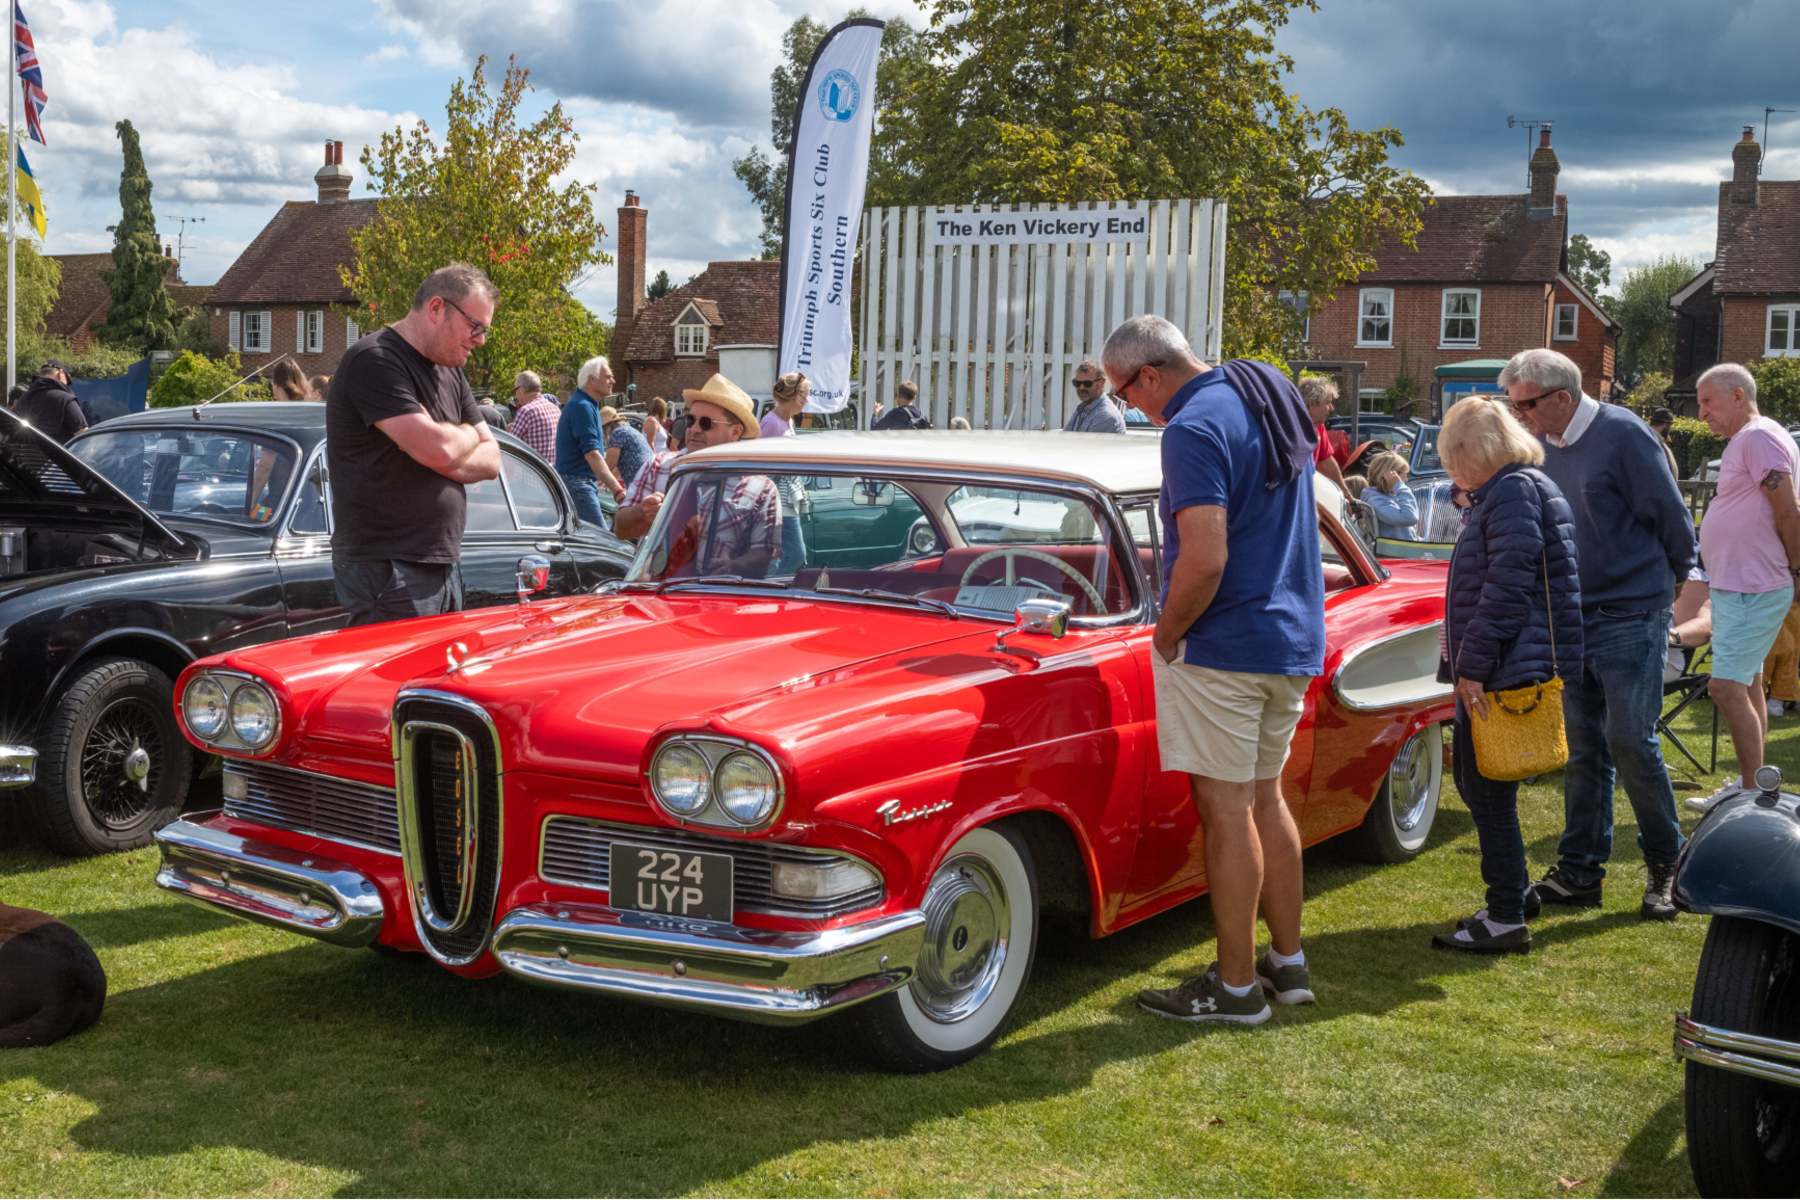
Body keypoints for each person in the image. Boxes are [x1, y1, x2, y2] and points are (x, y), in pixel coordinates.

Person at [1104, 315, 1323, 1026]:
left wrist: (1166, 636)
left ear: (1151, 375)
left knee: (1227, 809)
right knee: (1267, 798)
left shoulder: (1191, 429)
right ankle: (1286, 964)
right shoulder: (1266, 390)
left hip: (1225, 641)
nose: (1130, 406)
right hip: (1290, 632)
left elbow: (1204, 557)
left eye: (1125, 391)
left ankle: (1233, 990)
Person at [1504, 347, 1693, 920]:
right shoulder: (1545, 446)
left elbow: (1674, 522)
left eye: (1527, 405)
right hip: (1574, 616)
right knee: (1584, 747)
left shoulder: (1624, 435)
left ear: (1562, 397)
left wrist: (1662, 592)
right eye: (1514, 407)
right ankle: (1580, 872)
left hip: (1631, 613)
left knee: (1631, 741)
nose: (1521, 418)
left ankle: (1670, 867)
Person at [1431, 398, 1582, 953]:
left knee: (1486, 788)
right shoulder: (1521, 489)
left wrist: (1470, 667)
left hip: (1505, 665)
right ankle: (1515, 892)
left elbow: (1505, 588)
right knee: (1482, 783)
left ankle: (1504, 915)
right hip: (1518, 657)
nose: (1454, 473)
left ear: (1477, 452)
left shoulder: (1514, 493)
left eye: (1456, 460)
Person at [326, 262, 500, 627]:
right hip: (387, 568)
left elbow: (492, 459)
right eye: (475, 326)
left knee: (435, 685)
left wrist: (447, 442)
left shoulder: (451, 369)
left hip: (440, 564)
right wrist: (463, 437)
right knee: (394, 684)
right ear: (437, 308)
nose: (480, 340)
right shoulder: (374, 360)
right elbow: (438, 450)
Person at [1690, 362, 1800, 807]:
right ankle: (1754, 784)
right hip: (1739, 583)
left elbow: (1789, 509)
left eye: (1707, 401)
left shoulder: (1757, 436)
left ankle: (1754, 789)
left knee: (1725, 686)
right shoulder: (1750, 439)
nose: (1701, 414)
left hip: (1754, 584)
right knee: (1749, 681)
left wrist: (1797, 570)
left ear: (1738, 395)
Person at [615, 373, 779, 575]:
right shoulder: (659, 465)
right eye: (690, 420)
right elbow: (620, 529)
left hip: (719, 596)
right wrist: (642, 512)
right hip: (656, 593)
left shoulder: (760, 488)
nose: (693, 429)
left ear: (736, 432)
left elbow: (764, 556)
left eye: (706, 423)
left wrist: (732, 567)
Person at [554, 356, 628, 527]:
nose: (613, 380)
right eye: (608, 376)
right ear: (592, 380)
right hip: (577, 484)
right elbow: (592, 454)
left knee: (587, 542)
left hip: (578, 482)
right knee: (602, 542)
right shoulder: (582, 406)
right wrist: (617, 489)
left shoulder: (586, 404)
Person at [759, 371, 809, 574]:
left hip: (788, 496)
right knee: (796, 553)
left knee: (781, 553)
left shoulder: (787, 421)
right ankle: (769, 587)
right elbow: (759, 461)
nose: (807, 400)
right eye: (805, 394)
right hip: (778, 496)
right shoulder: (771, 422)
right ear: (794, 395)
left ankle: (772, 587)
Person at [15, 360, 85, 444]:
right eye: (67, 380)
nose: (66, 384)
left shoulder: (21, 401)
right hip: (59, 456)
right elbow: (83, 437)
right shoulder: (65, 399)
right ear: (61, 374)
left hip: (24, 456)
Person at [1298, 376, 1349, 489]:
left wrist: (1348, 497)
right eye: (1328, 402)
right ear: (1312, 404)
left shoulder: (1319, 426)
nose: (1332, 408)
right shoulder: (1293, 428)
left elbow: (1327, 463)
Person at [1362, 451, 1419, 537]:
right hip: (1396, 550)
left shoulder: (1389, 495)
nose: (1406, 480)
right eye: (1405, 475)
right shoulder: (1376, 500)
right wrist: (1399, 486)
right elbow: (1410, 517)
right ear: (1392, 476)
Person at [508, 370, 561, 462]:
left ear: (521, 389)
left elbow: (510, 445)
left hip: (533, 472)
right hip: (553, 472)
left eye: (515, 390)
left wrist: (509, 431)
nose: (515, 395)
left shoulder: (526, 411)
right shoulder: (555, 409)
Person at [1063, 359, 1128, 433]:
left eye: (1087, 383)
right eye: (1077, 383)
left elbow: (1081, 444)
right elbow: (1065, 437)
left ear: (1101, 383)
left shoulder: (1105, 416)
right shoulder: (1083, 409)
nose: (1081, 387)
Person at [602, 405, 652, 490]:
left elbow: (609, 464)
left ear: (607, 427)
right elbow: (618, 468)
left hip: (639, 479)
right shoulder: (628, 430)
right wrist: (606, 481)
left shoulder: (617, 433)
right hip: (648, 475)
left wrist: (595, 479)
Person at [1649, 406, 1680, 479]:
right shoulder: (1652, 443)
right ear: (1666, 425)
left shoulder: (1658, 442)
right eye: (1670, 426)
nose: (1671, 429)